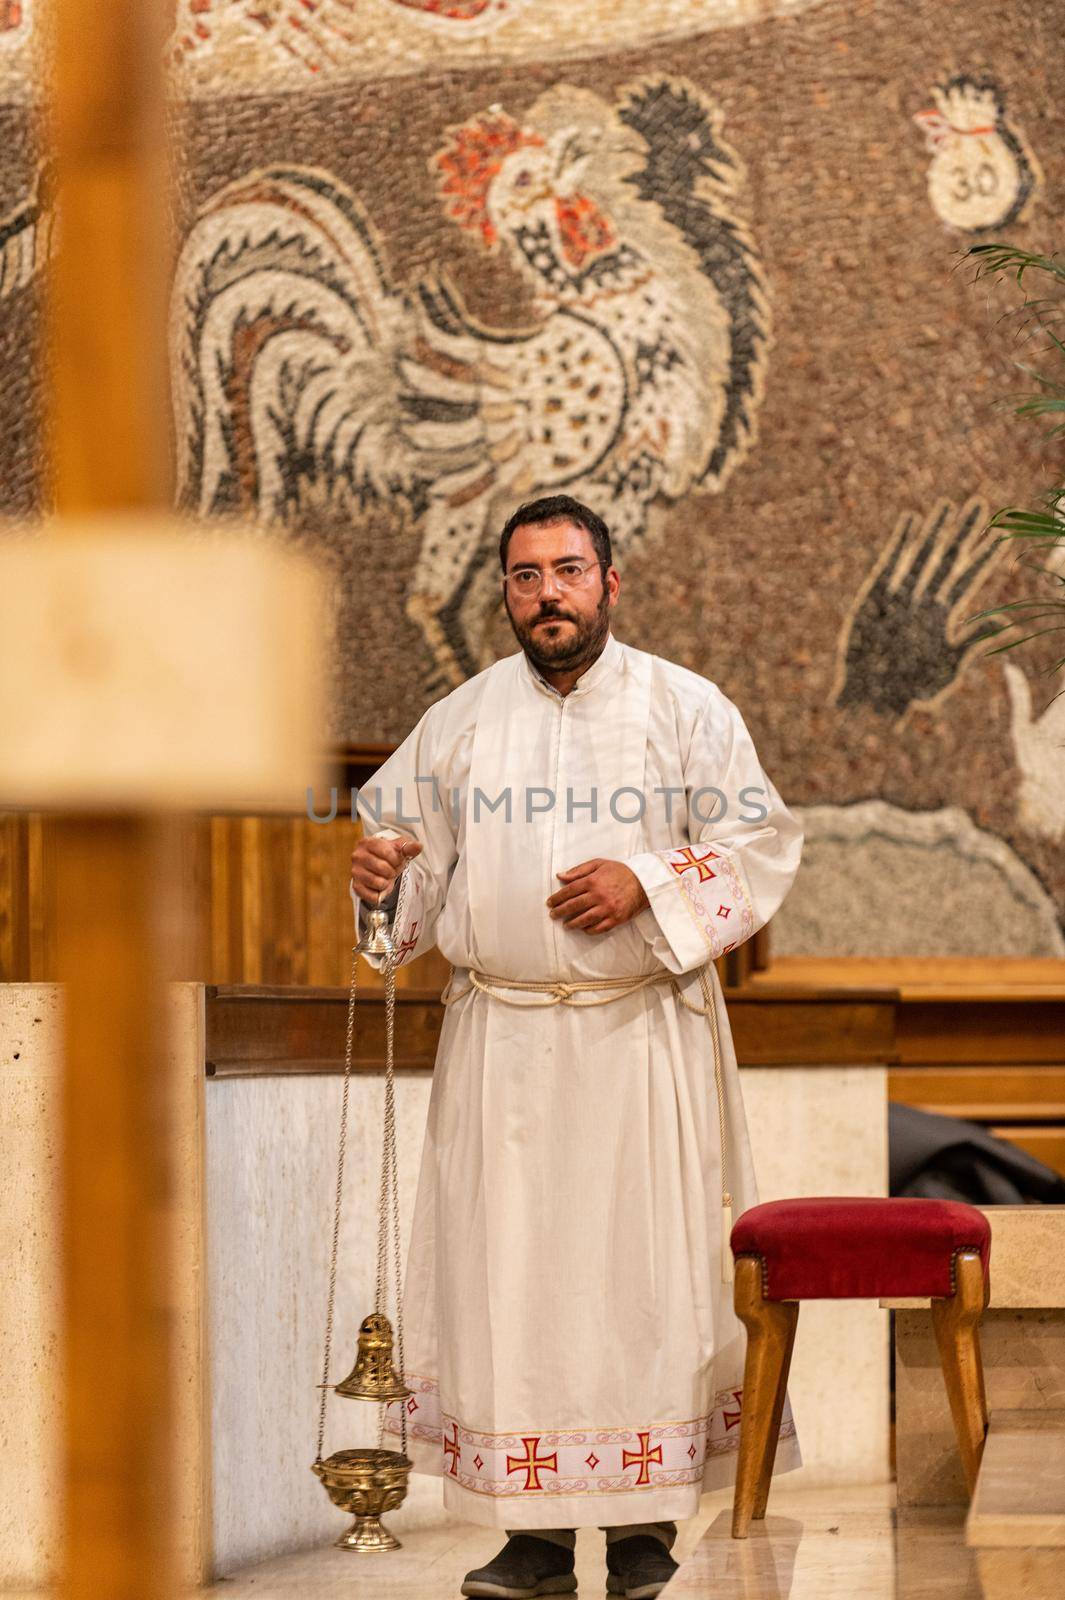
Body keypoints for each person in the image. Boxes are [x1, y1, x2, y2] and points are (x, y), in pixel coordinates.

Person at [349, 495, 804, 1599]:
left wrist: (643, 878)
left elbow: (760, 845)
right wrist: (382, 879)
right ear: (503, 592)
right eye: (524, 576)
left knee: (642, 1282)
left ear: (610, 580)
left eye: (567, 570)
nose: (546, 593)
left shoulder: (686, 709)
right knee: (511, 1284)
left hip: (637, 1045)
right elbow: (405, 871)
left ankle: (645, 1529)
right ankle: (532, 1535)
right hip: (501, 1044)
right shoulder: (456, 721)